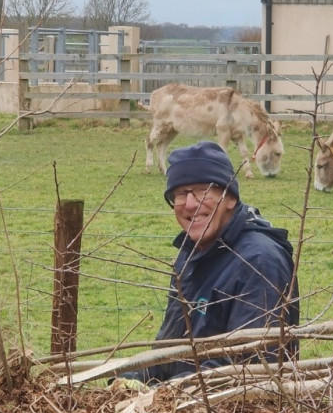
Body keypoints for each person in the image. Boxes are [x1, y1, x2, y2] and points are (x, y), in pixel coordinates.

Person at [126, 140, 299, 383]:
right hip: (186, 402)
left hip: (231, 412)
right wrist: (131, 380)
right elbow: (171, 348)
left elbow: (249, 365)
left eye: (202, 191)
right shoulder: (190, 254)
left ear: (230, 198)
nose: (189, 204)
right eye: (180, 194)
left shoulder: (258, 262)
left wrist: (166, 393)